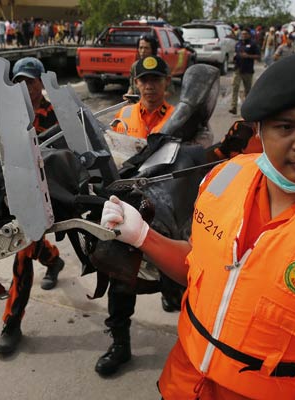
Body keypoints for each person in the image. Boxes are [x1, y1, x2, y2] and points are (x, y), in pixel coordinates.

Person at [99, 52, 295, 399]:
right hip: (182, 384)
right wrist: (143, 236)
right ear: (260, 130)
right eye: (285, 126)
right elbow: (198, 265)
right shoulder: (223, 178)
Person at [96, 55, 184, 377]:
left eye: (156, 80)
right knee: (121, 278)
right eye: (144, 80)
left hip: (167, 211)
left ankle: (173, 301)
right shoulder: (124, 113)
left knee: (176, 272)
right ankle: (120, 344)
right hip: (128, 207)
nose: (149, 86)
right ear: (136, 84)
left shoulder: (179, 118)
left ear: (166, 84)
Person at [0, 57, 67, 356]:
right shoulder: (8, 113)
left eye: (30, 81)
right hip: (14, 189)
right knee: (25, 242)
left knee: (21, 254)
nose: (26, 87)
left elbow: (61, 156)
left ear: (40, 84)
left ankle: (12, 323)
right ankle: (52, 259)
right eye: (19, 81)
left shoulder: (54, 115)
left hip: (47, 192)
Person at [229, 29, 260, 115]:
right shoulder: (238, 44)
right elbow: (236, 53)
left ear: (249, 35)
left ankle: (247, 109)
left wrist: (248, 56)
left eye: (245, 34)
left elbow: (258, 56)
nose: (244, 35)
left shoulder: (253, 44)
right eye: (242, 34)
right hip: (238, 68)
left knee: (248, 90)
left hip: (248, 70)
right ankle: (233, 107)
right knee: (235, 87)